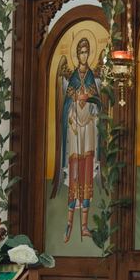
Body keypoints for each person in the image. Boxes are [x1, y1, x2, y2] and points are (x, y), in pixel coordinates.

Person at [52, 36, 102, 242]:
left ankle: (84, 226)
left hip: (88, 132)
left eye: (86, 52)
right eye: (81, 52)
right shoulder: (72, 78)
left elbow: (98, 104)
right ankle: (69, 224)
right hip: (74, 133)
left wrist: (90, 102)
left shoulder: (91, 78)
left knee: (87, 174)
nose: (83, 55)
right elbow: (65, 107)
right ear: (77, 54)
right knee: (74, 175)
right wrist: (73, 104)